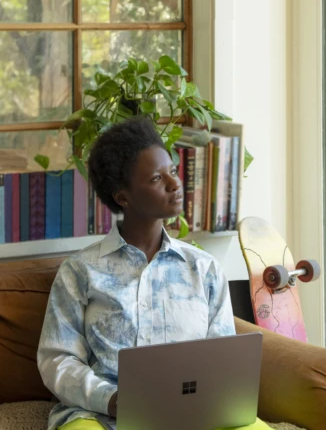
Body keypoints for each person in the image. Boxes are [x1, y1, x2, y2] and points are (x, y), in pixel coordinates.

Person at [37, 117, 269, 430]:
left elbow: (221, 360)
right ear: (123, 197)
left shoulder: (204, 269)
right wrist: (111, 399)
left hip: (194, 415)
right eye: (156, 179)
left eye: (172, 171)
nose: (175, 184)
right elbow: (57, 360)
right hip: (101, 416)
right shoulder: (80, 271)